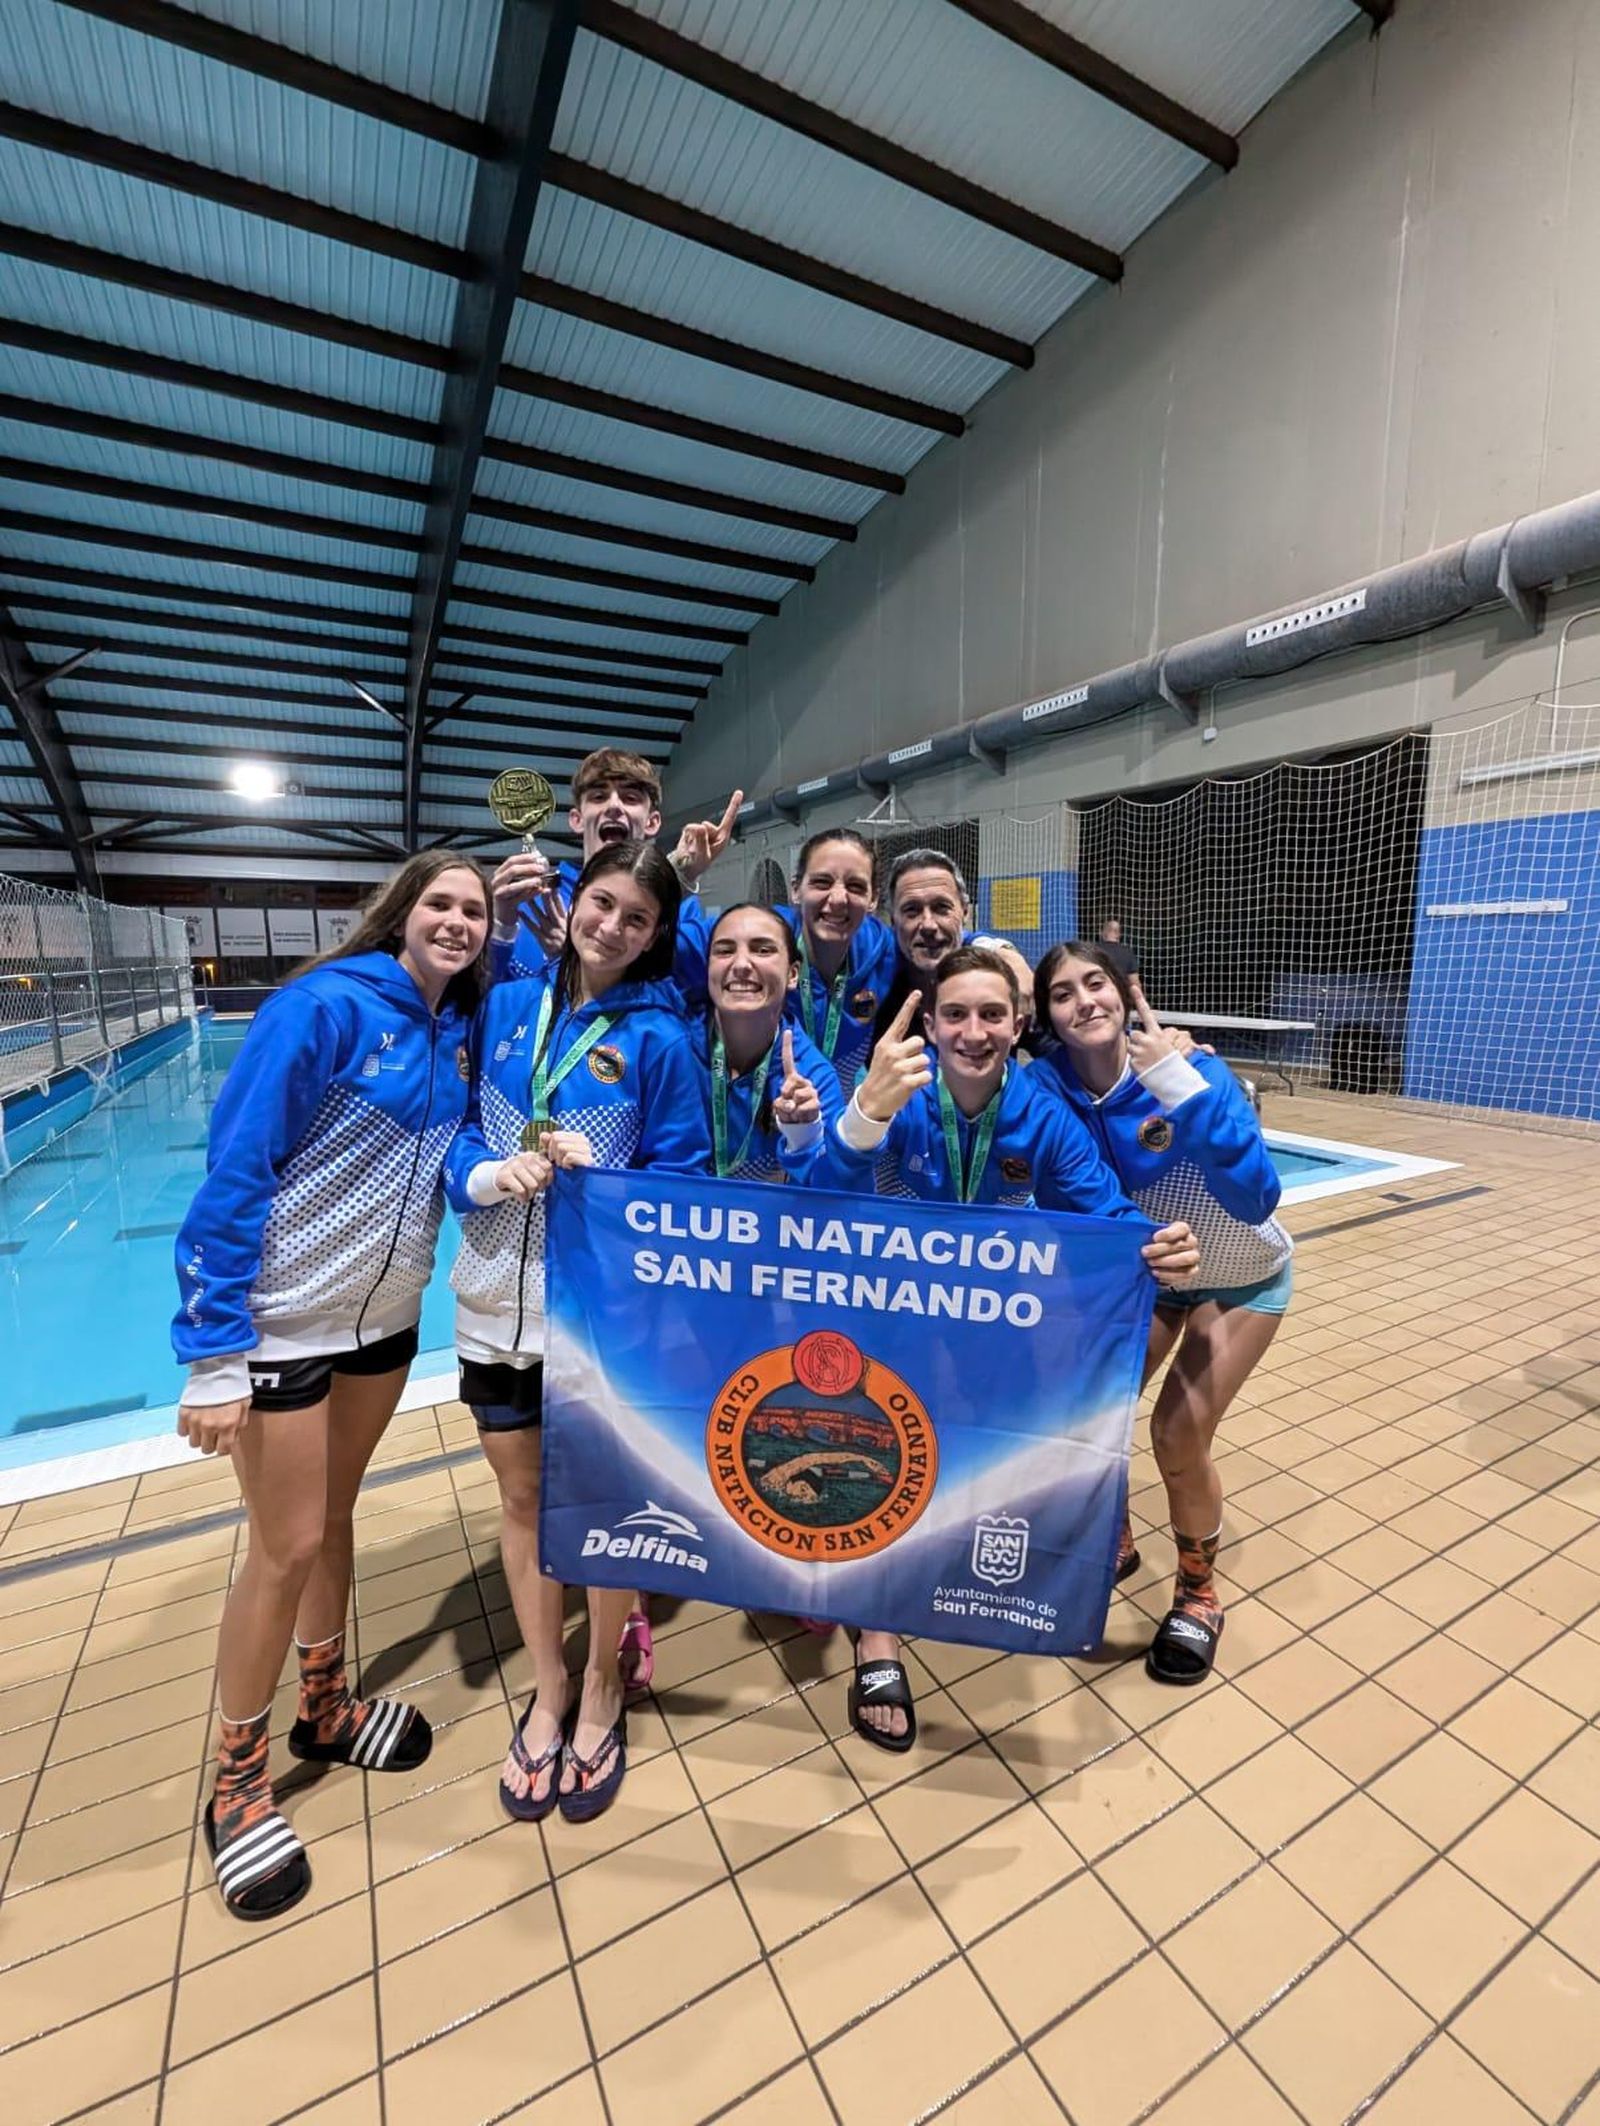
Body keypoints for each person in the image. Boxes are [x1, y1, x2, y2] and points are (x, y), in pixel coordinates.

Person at [172, 853, 491, 1920]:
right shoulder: (318, 1008)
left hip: (386, 1322)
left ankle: (325, 1704)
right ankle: (235, 1776)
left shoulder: (459, 1030)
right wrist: (214, 1351)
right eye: (439, 902)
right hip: (282, 1321)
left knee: (337, 1516)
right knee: (286, 1543)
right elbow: (235, 1167)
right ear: (401, 913)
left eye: (474, 910)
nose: (456, 920)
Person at [817, 946, 1200, 1751]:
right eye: (954, 1013)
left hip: (996, 1324)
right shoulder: (899, 1096)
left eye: (993, 1014)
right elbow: (820, 1197)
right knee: (880, 1465)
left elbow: (1103, 1209)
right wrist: (865, 1114)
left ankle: (1003, 1575)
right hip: (902, 1317)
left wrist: (1156, 1246)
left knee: (1006, 1453)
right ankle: (876, 1636)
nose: (973, 1030)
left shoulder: (1042, 1114)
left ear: (1019, 1025)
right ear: (929, 1022)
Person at [444, 841, 711, 1824]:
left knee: (600, 1505)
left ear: (654, 935)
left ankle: (603, 1681)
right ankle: (548, 1687)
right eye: (602, 902)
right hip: (490, 1301)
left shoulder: (662, 1038)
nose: (611, 925)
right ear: (575, 896)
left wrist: (597, 1172)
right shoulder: (505, 1004)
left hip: (599, 1315)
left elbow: (681, 1179)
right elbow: (459, 1129)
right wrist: (484, 1172)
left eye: (636, 918)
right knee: (521, 1500)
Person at [1031, 941, 1292, 1685]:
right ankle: (1113, 1539)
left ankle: (1199, 1592)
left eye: (1097, 985)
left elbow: (1255, 1199)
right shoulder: (1046, 1089)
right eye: (1063, 993)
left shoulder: (1193, 1071)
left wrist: (1181, 1085)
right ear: (1047, 1015)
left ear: (1124, 993)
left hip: (1241, 1276)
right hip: (1150, 1281)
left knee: (1176, 1435)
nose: (1084, 1001)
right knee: (1090, 1412)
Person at [487, 745, 741, 986]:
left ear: (652, 822)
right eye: (599, 796)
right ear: (576, 819)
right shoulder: (534, 903)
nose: (614, 806)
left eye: (630, 798)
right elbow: (490, 1001)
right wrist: (500, 925)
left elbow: (681, 991)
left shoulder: (682, 908)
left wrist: (676, 877)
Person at [700, 902, 844, 1182]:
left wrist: (805, 1135)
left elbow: (833, 1197)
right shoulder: (674, 1051)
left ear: (793, 974)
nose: (741, 964)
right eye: (725, 950)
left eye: (762, 950)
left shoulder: (813, 1079)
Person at [872, 848, 1036, 1049]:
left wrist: (1008, 955)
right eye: (911, 910)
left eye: (941, 908)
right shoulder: (875, 974)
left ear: (965, 912)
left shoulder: (999, 980)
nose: (929, 925)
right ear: (894, 921)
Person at [1096, 916, 1138, 981]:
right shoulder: (1127, 952)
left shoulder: (1094, 950)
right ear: (1118, 934)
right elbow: (1134, 981)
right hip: (1121, 989)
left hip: (1101, 988)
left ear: (1102, 932)